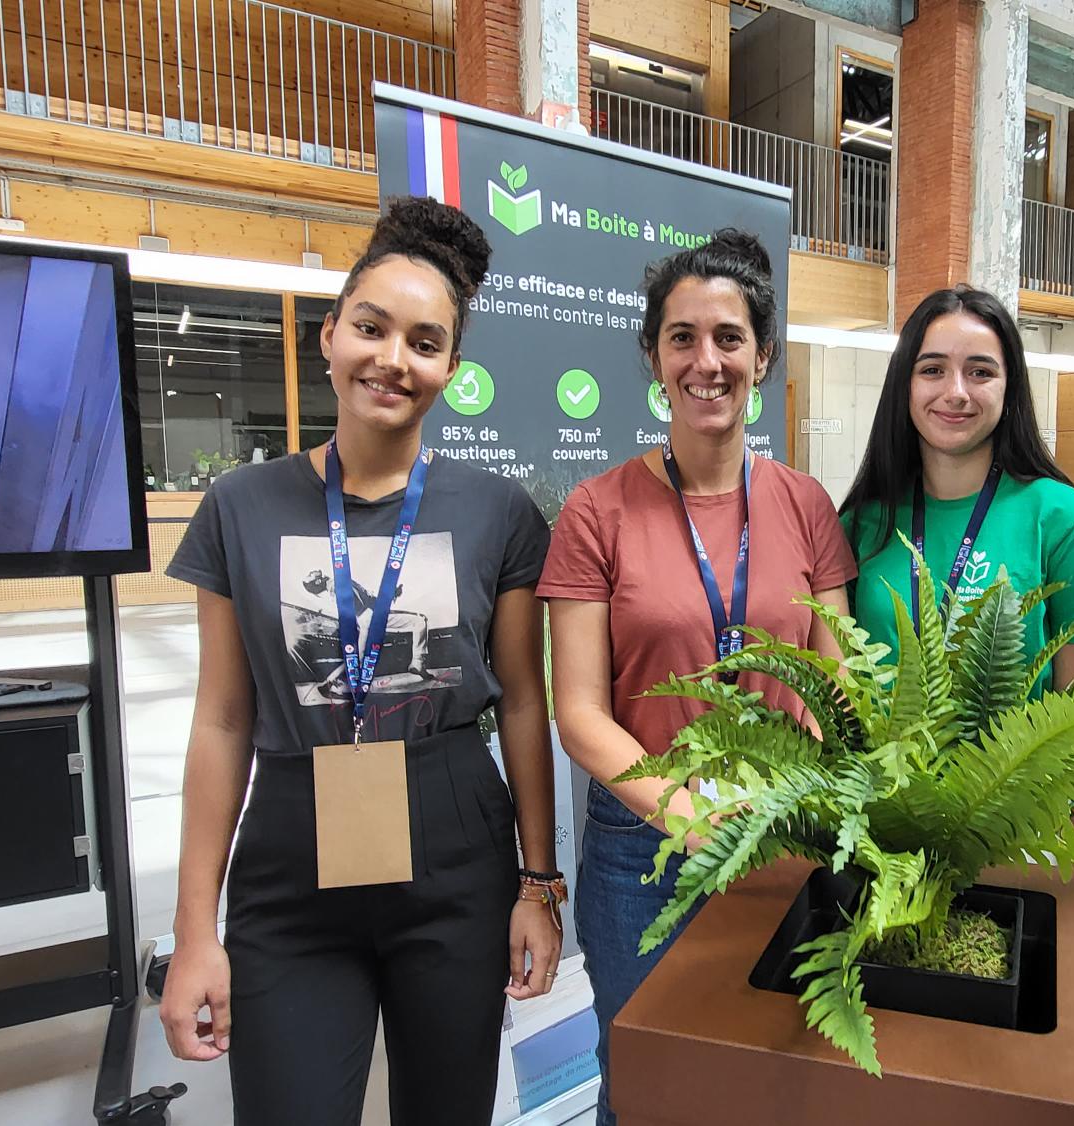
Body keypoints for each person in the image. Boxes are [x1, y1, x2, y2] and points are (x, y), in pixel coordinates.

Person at [159, 197, 563, 1125]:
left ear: (451, 370)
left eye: (426, 342)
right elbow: (222, 719)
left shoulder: (498, 511)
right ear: (330, 334)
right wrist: (194, 933)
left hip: (456, 848)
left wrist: (539, 884)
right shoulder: (241, 504)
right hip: (292, 853)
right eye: (372, 329)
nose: (394, 359)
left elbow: (525, 707)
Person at [539, 229, 855, 1126]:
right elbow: (579, 711)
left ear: (762, 355)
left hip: (787, 832)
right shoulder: (596, 510)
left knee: (780, 1076)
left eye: (727, 337)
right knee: (649, 1079)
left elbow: (840, 690)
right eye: (682, 338)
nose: (705, 360)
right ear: (653, 357)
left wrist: (797, 804)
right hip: (646, 846)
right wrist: (687, 812)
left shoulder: (804, 505)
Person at [838, 285, 1074, 834]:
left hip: (1019, 835)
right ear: (904, 386)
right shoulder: (863, 524)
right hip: (880, 843)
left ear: (1009, 387)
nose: (956, 392)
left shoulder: (1065, 521)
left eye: (980, 372)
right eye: (932, 370)